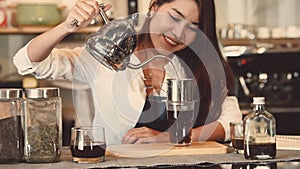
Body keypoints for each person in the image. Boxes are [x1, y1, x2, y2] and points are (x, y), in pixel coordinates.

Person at [13, 0, 242, 145]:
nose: (179, 32)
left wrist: (170, 137)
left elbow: (232, 122)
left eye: (193, 27)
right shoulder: (109, 57)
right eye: (173, 17)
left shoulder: (199, 68)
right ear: (154, 8)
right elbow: (29, 62)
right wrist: (67, 26)